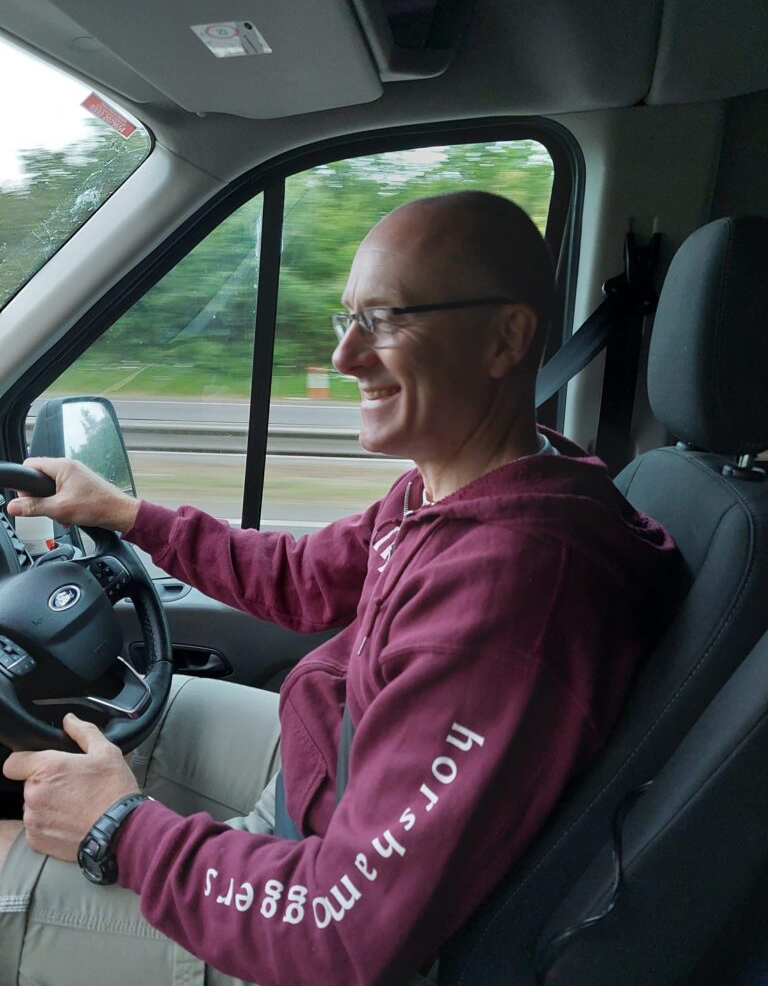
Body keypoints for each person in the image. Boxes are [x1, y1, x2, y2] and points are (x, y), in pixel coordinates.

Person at [0, 191, 679, 986]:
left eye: (386, 319)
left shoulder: (505, 599)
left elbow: (342, 932)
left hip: (329, 917)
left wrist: (120, 829)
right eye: (345, 319)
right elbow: (302, 580)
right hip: (333, 775)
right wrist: (125, 512)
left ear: (504, 339)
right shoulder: (474, 483)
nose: (345, 358)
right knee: (115, 718)